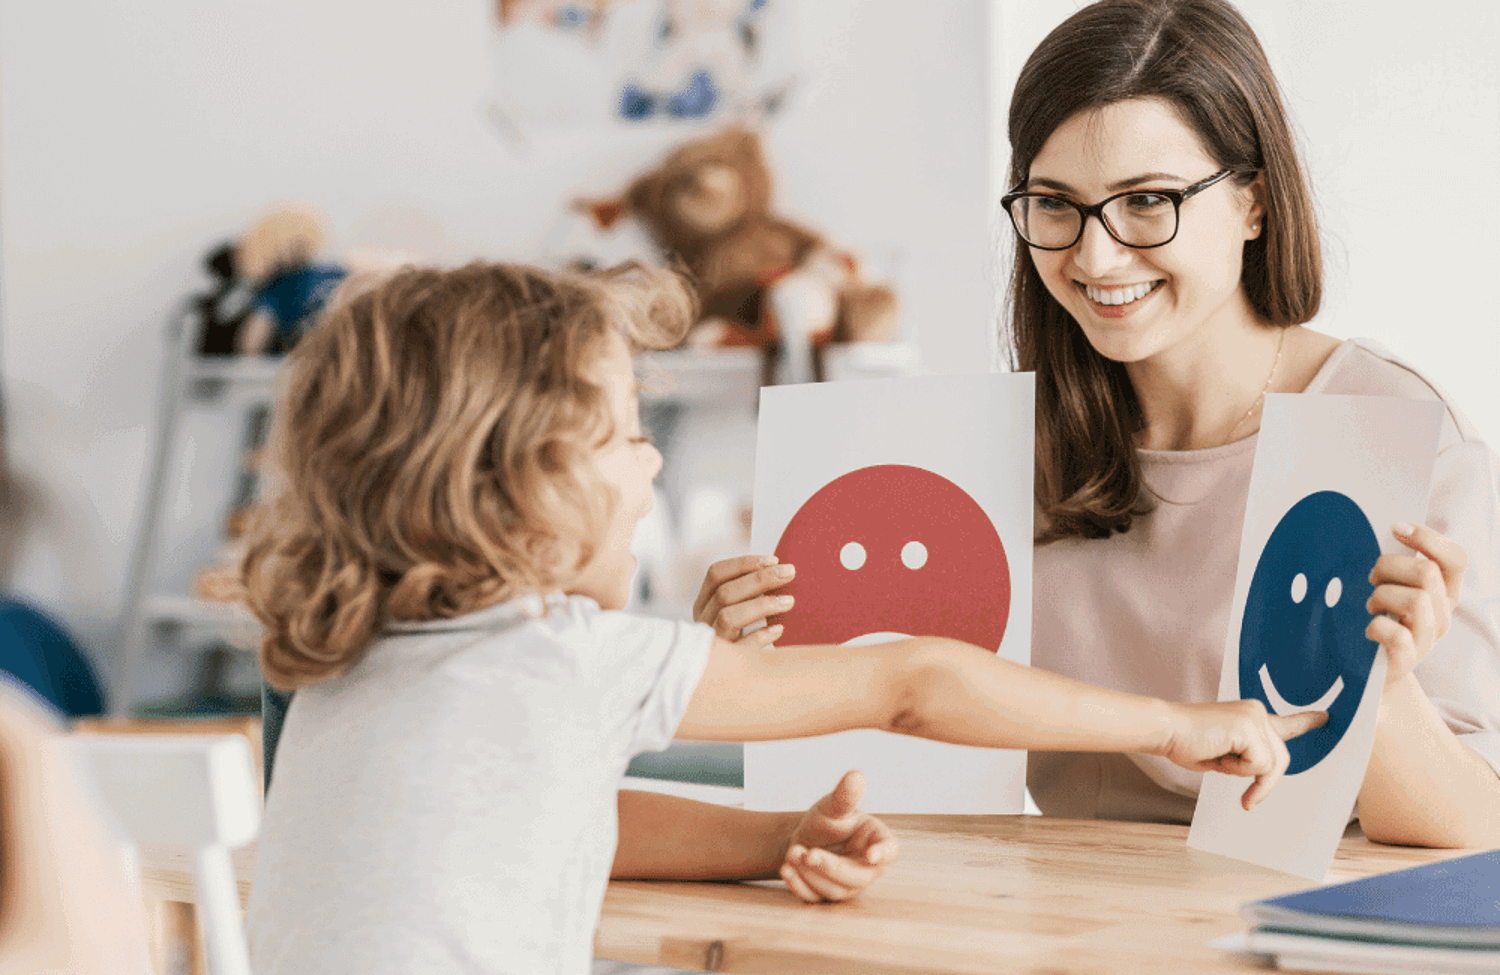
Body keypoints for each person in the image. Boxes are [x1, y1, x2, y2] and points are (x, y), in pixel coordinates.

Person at [238, 259, 1320, 975]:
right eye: (622, 434)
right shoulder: (568, 661)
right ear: (514, 482)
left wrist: (775, 836)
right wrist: (1172, 725)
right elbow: (912, 682)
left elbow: (558, 816)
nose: (651, 459)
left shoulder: (347, 672)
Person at [705, 0, 1500, 849]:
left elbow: (1473, 826)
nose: (1096, 257)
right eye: (1056, 204)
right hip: (1068, 916)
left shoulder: (1390, 431)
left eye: (1148, 201)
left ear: (1255, 204)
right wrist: (741, 662)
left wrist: (1383, 679)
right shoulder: (995, 450)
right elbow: (896, 747)